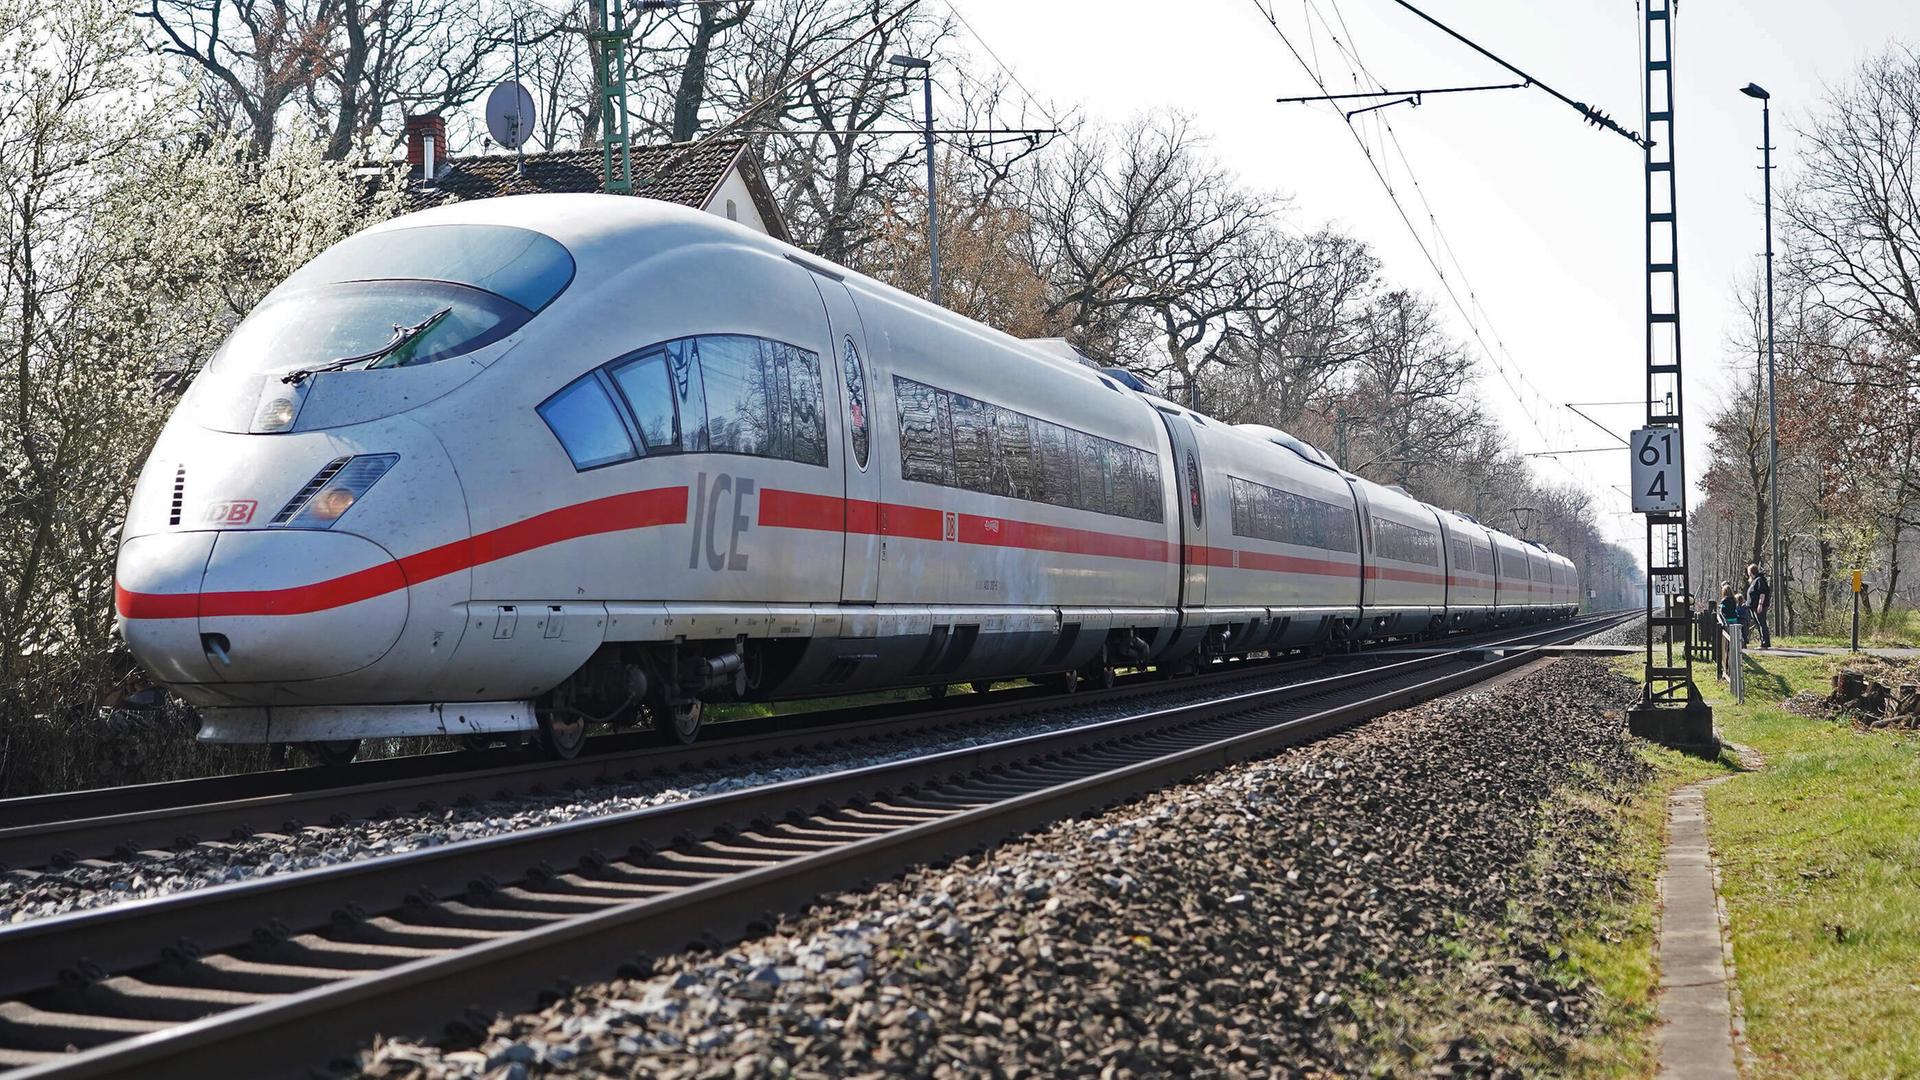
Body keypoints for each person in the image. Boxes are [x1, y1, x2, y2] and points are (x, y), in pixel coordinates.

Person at [1746, 563, 1773, 647]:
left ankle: (1765, 643)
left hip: (1759, 606)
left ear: (1751, 572)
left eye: (1749, 572)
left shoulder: (1760, 580)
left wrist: (1760, 604)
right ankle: (1763, 641)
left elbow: (1762, 593)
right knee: (1759, 624)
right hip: (1754, 607)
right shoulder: (1755, 580)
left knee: (1762, 623)